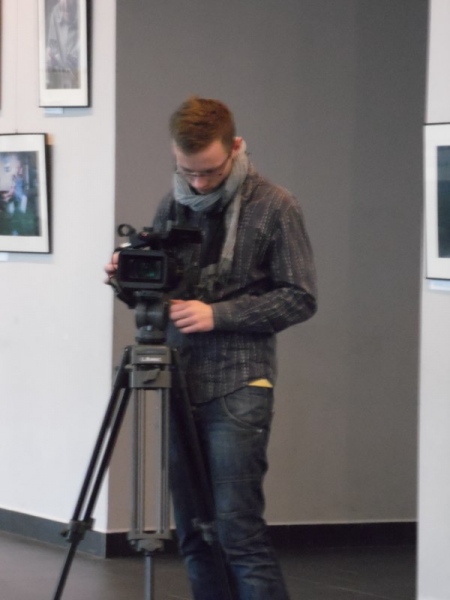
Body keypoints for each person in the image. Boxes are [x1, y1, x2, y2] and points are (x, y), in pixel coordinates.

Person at [105, 97, 317, 600]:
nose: (199, 183)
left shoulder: (275, 206)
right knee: (194, 536)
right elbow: (157, 292)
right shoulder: (172, 204)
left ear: (236, 147)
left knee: (237, 533)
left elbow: (300, 297)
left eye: (211, 172)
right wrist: (123, 279)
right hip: (176, 380)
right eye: (188, 171)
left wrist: (217, 315)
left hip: (240, 384)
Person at [46, 0, 79, 89]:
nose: (65, 4)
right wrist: (51, 58)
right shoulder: (56, 11)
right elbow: (52, 46)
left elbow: (76, 62)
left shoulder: (83, 12)